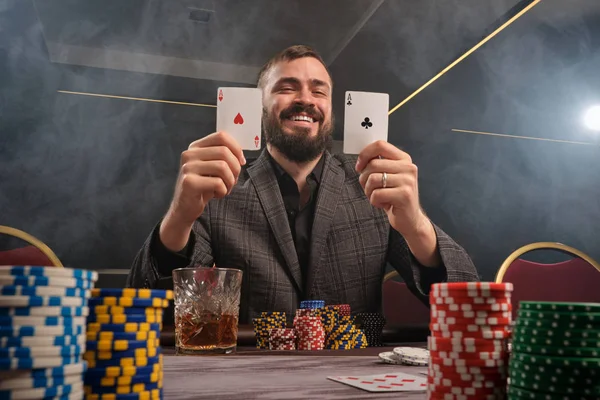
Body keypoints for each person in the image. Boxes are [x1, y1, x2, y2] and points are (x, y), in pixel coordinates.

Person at [126, 45, 479, 324]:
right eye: (286, 87)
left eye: (318, 91)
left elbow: (469, 301)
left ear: (330, 109)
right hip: (253, 379)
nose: (305, 99)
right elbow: (151, 307)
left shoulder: (373, 188)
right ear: (259, 107)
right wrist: (180, 215)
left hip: (354, 380)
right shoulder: (221, 186)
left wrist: (415, 224)